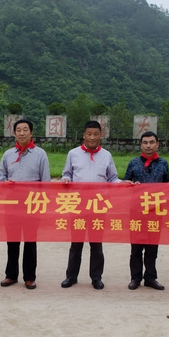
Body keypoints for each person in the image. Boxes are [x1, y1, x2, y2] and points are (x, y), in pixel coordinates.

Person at [61, 120, 120, 290]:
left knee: (96, 243)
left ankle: (96, 278)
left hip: (98, 205)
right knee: (76, 243)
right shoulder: (73, 154)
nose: (92, 137)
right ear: (84, 135)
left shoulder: (106, 155)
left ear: (101, 135)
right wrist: (66, 179)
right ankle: (71, 277)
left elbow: (112, 178)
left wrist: (124, 184)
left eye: (96, 134)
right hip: (77, 204)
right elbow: (67, 173)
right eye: (89, 134)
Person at [0, 119, 50, 290]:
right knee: (12, 240)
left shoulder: (40, 154)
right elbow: (0, 175)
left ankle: (29, 277)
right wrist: (5, 182)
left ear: (31, 133)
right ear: (14, 133)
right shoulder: (8, 154)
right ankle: (11, 275)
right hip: (11, 203)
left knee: (30, 241)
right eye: (18, 130)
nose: (22, 133)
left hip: (32, 204)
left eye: (25, 129)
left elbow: (46, 182)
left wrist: (42, 204)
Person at [122, 131, 169, 290]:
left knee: (152, 247)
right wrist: (129, 185)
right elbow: (125, 183)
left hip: (156, 211)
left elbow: (168, 185)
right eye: (145, 142)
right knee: (136, 247)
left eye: (151, 142)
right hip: (137, 211)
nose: (148, 146)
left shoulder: (163, 163)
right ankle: (135, 278)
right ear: (141, 145)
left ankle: (150, 278)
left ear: (158, 144)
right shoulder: (133, 163)